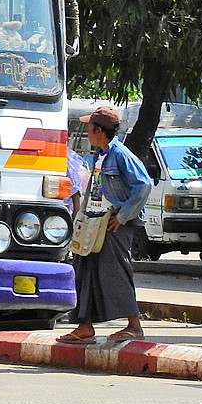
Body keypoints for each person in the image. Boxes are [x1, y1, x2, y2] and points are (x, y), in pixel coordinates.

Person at [58, 105, 152, 344]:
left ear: (98, 130)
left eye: (89, 127)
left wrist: (122, 217)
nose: (87, 131)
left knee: (116, 271)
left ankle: (134, 325)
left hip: (113, 225)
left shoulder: (121, 154)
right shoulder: (100, 154)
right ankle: (84, 326)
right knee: (84, 270)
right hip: (94, 222)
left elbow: (143, 185)